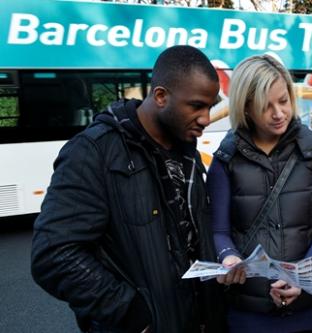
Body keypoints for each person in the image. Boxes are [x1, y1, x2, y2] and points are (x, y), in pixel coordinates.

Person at [31, 45, 225, 333]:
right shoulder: (94, 152)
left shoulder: (189, 154)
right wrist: (129, 312)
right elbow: (53, 255)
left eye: (210, 107)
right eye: (197, 106)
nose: (206, 119)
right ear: (160, 96)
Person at [207, 54, 312, 333]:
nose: (279, 113)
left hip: (311, 311)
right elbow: (218, 230)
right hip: (249, 317)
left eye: (283, 101)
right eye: (265, 106)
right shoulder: (225, 160)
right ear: (246, 108)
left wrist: (301, 277)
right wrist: (228, 257)